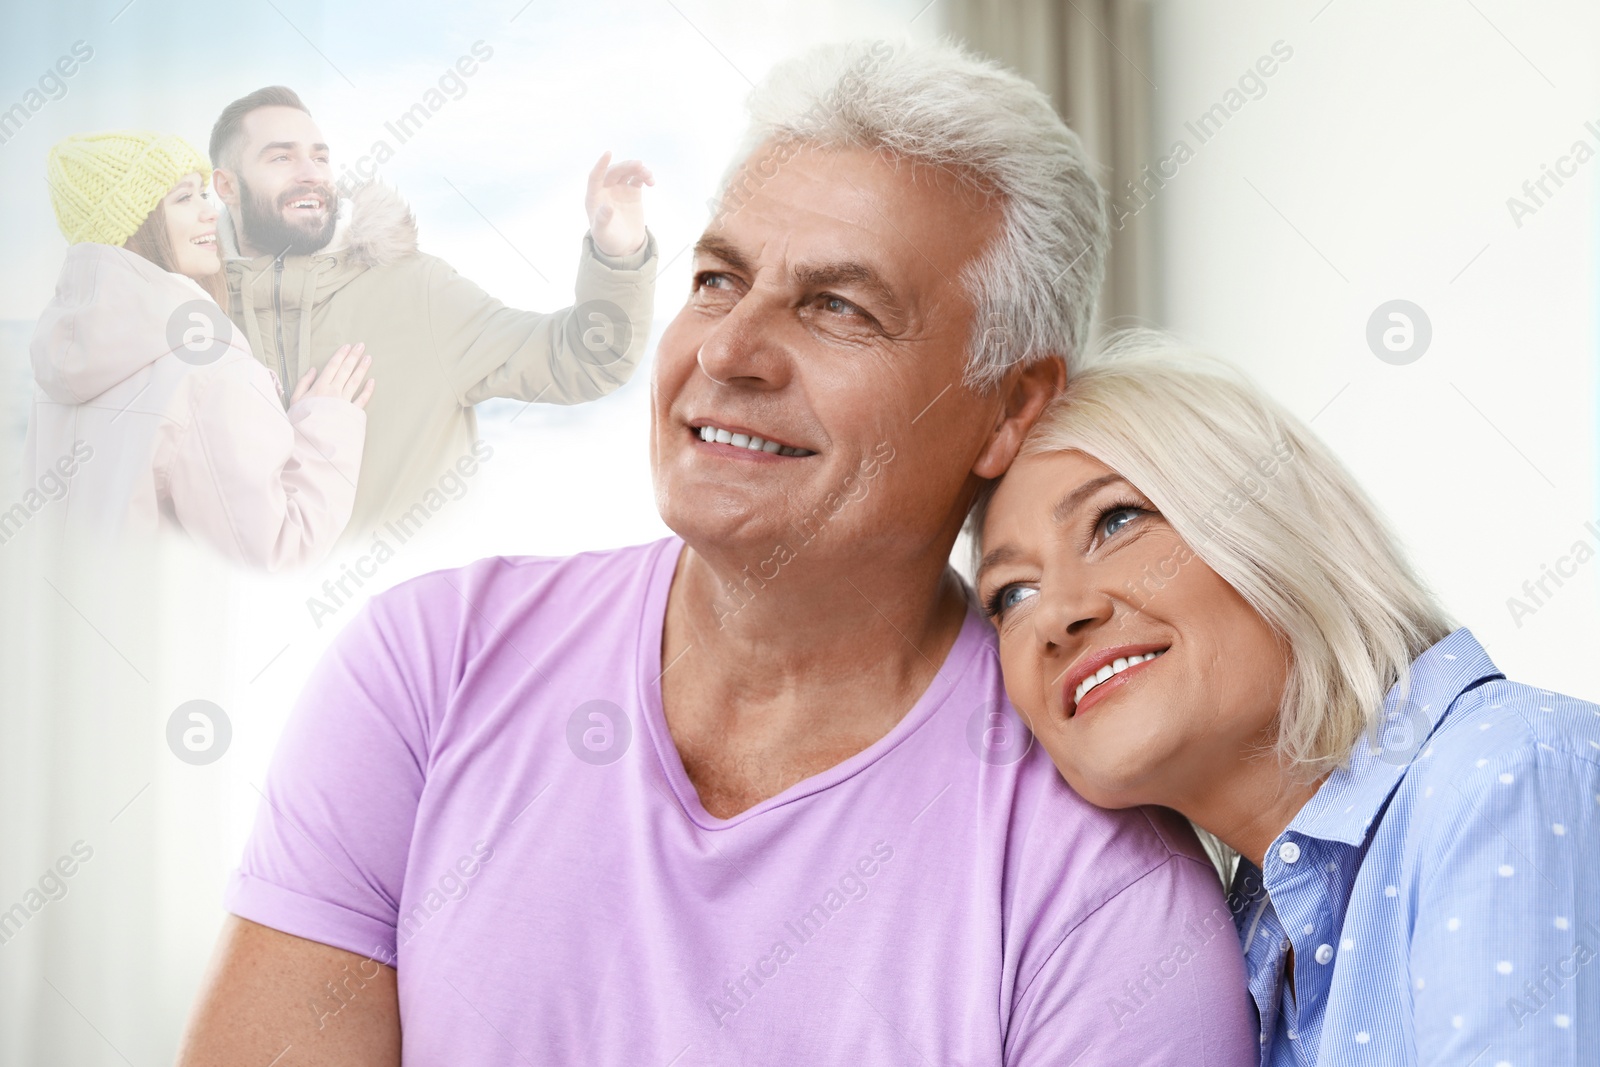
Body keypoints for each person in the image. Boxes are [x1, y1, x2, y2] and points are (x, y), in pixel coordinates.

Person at [175, 40, 1257, 1065]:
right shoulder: (426, 669)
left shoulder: (1105, 889)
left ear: (1009, 406)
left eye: (837, 306)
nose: (730, 350)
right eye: (716, 279)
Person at [974, 333, 1600, 1066]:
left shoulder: (1506, 771)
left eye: (1115, 521)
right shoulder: (1242, 927)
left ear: (1272, 524)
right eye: (1012, 593)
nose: (1055, 616)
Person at [207, 86, 658, 542]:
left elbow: (586, 358)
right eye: (281, 158)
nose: (311, 174)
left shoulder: (415, 289)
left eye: (320, 158)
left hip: (403, 603)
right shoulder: (194, 317)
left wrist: (618, 255)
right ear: (227, 186)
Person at [23, 130, 373, 570]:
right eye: (185, 198)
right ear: (134, 226)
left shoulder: (59, 365)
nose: (212, 213)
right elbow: (275, 556)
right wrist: (324, 429)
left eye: (205, 193)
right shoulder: (211, 370)